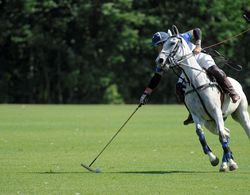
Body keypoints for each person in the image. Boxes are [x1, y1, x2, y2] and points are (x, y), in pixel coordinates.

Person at [140, 28, 240, 125]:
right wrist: (146, 93)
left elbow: (197, 31)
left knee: (216, 71)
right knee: (179, 87)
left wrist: (198, 45)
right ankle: (192, 112)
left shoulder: (180, 37)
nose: (158, 49)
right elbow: (157, 76)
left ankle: (232, 92)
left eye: (158, 46)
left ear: (164, 42)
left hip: (199, 56)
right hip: (188, 67)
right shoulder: (164, 55)